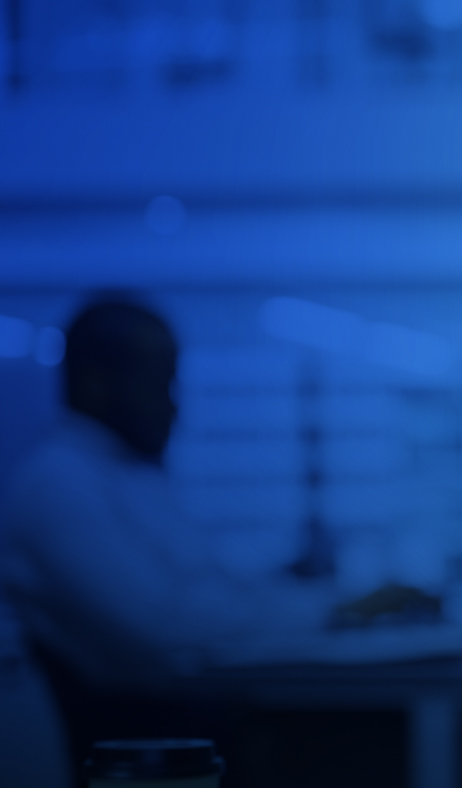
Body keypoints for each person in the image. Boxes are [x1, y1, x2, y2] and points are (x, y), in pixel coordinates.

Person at [0, 298, 437, 783]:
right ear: (95, 382)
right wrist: (334, 611)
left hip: (188, 732)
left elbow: (219, 590)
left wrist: (342, 602)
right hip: (148, 749)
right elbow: (165, 627)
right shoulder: (57, 486)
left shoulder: (129, 476)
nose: (174, 404)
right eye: (159, 383)